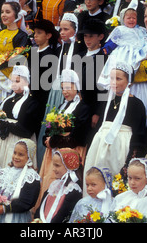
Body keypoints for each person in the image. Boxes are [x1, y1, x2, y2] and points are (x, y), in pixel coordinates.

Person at [84, 62, 147, 193]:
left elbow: (138, 134)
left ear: (129, 81)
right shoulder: (106, 101)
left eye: (118, 79)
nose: (114, 82)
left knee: (115, 184)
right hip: (100, 147)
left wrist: (130, 159)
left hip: (120, 148)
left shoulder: (136, 104)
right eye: (112, 78)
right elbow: (99, 126)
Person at [37, 69, 91, 208]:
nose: (65, 92)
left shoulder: (83, 107)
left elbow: (80, 137)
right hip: (54, 153)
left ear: (76, 87)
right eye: (62, 89)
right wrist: (47, 139)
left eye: (68, 88)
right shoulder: (62, 106)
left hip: (71, 152)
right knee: (51, 183)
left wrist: (54, 141)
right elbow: (49, 128)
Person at [0, 65, 39, 168]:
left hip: (15, 144)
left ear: (27, 82)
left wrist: (3, 125)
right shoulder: (8, 100)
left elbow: (26, 130)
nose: (14, 85)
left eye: (17, 81)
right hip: (0, 145)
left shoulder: (32, 102)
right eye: (12, 81)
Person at [0, 139, 41, 223]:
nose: (16, 157)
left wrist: (6, 209)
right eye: (15, 153)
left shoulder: (32, 177)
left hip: (17, 217)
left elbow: (27, 202)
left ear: (29, 157)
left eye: (21, 154)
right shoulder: (3, 172)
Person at [98, 7, 147, 89]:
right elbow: (114, 41)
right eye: (129, 18)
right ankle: (116, 81)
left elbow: (143, 41)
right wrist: (107, 48)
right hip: (122, 53)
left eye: (134, 18)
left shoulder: (140, 30)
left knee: (132, 67)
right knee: (118, 68)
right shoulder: (120, 29)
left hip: (135, 53)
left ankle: (129, 81)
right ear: (123, 19)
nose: (131, 20)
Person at [35, 148, 83, 223]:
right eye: (53, 165)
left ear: (69, 166)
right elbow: (41, 207)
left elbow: (63, 215)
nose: (53, 169)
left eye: (57, 165)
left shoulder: (73, 190)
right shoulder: (55, 185)